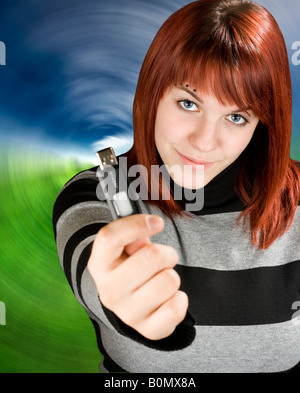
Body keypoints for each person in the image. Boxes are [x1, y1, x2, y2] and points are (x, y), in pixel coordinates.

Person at [52, 0, 300, 373]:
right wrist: (123, 299)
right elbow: (93, 267)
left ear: (263, 124)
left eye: (235, 116)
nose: (203, 141)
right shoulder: (95, 194)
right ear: (153, 95)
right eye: (187, 103)